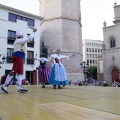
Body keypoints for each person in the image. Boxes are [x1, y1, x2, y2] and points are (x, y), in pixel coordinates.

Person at [1, 28, 37, 93]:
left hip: (20, 57)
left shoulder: (18, 41)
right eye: (22, 35)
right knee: (13, 72)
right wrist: (33, 32)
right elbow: (29, 39)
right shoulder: (18, 40)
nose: (23, 36)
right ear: (20, 36)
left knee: (20, 73)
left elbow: (26, 40)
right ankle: (4, 86)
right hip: (18, 57)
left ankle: (19, 87)